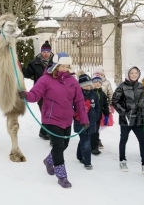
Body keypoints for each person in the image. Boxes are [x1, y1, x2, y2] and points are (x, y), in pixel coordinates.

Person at [18, 52, 89, 188]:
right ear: (55, 65)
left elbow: (79, 102)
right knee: (58, 146)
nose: (65, 69)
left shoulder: (72, 82)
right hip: (51, 119)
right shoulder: (46, 80)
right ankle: (62, 176)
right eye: (62, 66)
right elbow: (35, 94)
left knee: (65, 144)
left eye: (67, 66)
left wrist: (84, 120)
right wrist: (25, 95)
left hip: (67, 119)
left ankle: (48, 161)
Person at [111, 65, 144, 175]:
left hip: (139, 119)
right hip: (126, 119)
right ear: (128, 74)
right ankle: (122, 160)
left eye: (136, 73)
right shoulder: (121, 86)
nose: (134, 75)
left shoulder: (141, 86)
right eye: (132, 73)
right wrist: (124, 112)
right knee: (124, 139)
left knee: (143, 141)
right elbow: (114, 101)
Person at [22, 40, 53, 140]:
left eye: (47, 52)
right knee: (45, 112)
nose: (45, 54)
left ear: (50, 52)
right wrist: (20, 67)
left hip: (53, 91)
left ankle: (43, 131)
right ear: (41, 52)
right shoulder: (35, 63)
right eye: (44, 52)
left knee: (52, 112)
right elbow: (27, 74)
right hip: (40, 92)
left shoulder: (55, 62)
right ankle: (46, 131)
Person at [74, 71, 99, 169]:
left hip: (91, 121)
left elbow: (97, 106)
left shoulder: (94, 94)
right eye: (85, 86)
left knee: (85, 139)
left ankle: (79, 155)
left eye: (89, 85)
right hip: (80, 122)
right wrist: (75, 116)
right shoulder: (77, 95)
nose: (88, 87)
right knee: (86, 141)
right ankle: (87, 161)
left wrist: (96, 116)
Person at [93, 65, 114, 149]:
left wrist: (110, 104)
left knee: (103, 124)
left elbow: (110, 94)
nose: (100, 75)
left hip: (103, 106)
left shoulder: (107, 82)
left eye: (101, 74)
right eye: (98, 73)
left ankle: (96, 136)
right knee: (95, 124)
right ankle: (96, 139)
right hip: (94, 107)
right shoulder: (92, 81)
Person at [90, 74, 109, 155]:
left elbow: (105, 105)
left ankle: (94, 147)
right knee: (89, 132)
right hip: (89, 116)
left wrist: (106, 114)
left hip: (98, 116)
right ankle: (87, 146)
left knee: (96, 131)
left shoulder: (103, 94)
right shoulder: (90, 93)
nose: (97, 83)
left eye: (99, 82)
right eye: (95, 82)